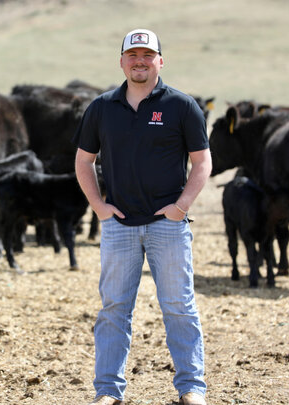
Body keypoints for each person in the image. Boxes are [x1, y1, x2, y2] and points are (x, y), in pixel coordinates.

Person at [73, 28, 211, 405]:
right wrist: (99, 207)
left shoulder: (182, 106)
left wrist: (181, 208)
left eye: (147, 55)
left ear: (160, 62)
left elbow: (202, 162)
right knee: (114, 309)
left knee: (179, 306)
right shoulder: (101, 108)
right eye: (132, 55)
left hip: (168, 226)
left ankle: (191, 388)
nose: (139, 61)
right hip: (118, 227)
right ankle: (108, 392)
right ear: (121, 62)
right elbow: (84, 161)